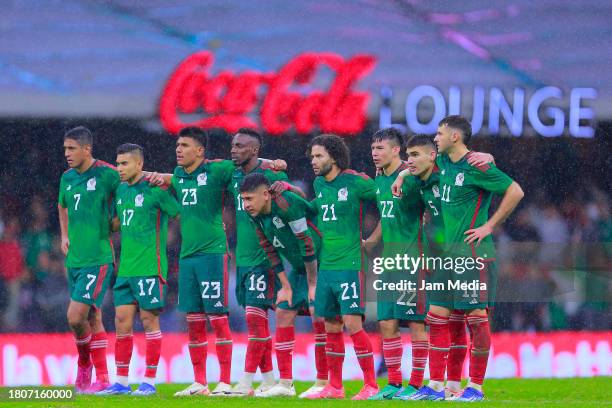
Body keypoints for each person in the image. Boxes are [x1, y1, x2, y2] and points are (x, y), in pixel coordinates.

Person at [407, 116, 524, 401]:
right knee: (436, 317)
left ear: (455, 136)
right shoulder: (445, 163)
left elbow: (515, 190)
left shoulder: (477, 166)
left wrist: (489, 226)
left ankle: (476, 387)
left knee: (475, 317)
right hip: (449, 257)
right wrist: (401, 174)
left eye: (439, 133)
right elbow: (420, 165)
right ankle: (436, 387)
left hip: (473, 255)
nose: (435, 138)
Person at [226, 128, 306, 397]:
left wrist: (278, 166)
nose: (234, 149)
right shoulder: (231, 173)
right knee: (255, 323)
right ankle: (270, 380)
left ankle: (247, 382)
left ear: (255, 149)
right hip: (244, 258)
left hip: (265, 258)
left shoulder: (273, 174)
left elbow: (296, 202)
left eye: (240, 146)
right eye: (233, 145)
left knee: (256, 321)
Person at [98, 143, 179, 395]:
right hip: (126, 270)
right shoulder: (120, 191)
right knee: (121, 321)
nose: (120, 168)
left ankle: (150, 382)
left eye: (125, 163)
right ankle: (121, 382)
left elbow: (176, 212)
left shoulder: (154, 189)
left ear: (139, 164)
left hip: (149, 267)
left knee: (148, 320)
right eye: (118, 163)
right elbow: (115, 224)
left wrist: (165, 183)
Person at [305, 134, 379, 400]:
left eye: (319, 156)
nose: (313, 161)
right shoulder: (318, 184)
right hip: (326, 266)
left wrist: (373, 239)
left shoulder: (356, 182)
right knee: (331, 326)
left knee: (352, 323)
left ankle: (371, 385)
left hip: (350, 264)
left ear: (333, 157)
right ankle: (335, 386)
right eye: (312, 156)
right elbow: (317, 210)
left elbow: (387, 201)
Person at [239, 173, 326, 397]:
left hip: (321, 263)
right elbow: (270, 251)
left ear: (266, 195)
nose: (245, 205)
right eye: (243, 199)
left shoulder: (285, 204)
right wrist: (285, 286)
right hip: (298, 269)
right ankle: (286, 383)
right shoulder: (255, 215)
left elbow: (307, 244)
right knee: (283, 313)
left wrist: (313, 284)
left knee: (319, 315)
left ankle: (323, 381)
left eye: (249, 199)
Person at [363, 128, 429, 400]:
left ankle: (415, 385)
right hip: (388, 262)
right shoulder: (380, 180)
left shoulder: (413, 178)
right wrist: (371, 242)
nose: (375, 154)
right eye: (373, 148)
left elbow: (432, 209)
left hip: (412, 260)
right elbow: (386, 216)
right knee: (387, 322)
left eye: (380, 149)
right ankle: (392, 384)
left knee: (415, 323)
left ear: (395, 150)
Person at [58, 126, 118, 393]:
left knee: (75, 316)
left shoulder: (107, 174)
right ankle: (103, 379)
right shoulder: (67, 178)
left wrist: (112, 227)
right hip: (75, 258)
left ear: (87, 149)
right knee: (93, 317)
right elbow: (62, 205)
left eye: (72, 149)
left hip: (98, 257)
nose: (67, 154)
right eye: (65, 149)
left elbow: (128, 199)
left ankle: (84, 365)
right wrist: (63, 235)